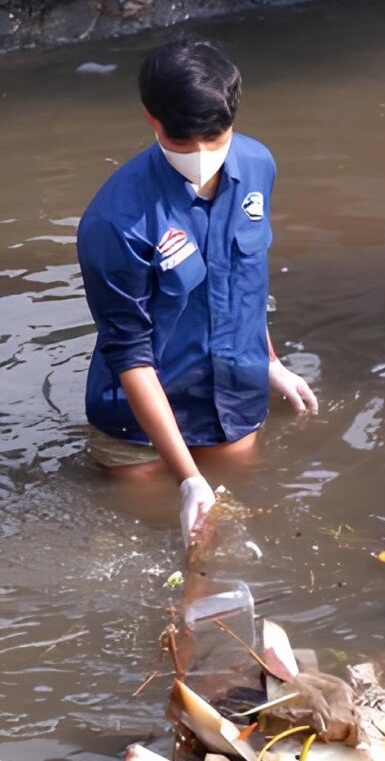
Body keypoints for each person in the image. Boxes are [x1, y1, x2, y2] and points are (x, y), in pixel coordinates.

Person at [76, 39, 317, 547]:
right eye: (186, 142)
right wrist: (187, 480)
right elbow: (130, 354)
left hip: (233, 399)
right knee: (148, 535)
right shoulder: (115, 221)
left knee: (231, 536)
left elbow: (246, 280)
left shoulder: (257, 166)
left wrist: (269, 362)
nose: (204, 156)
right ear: (152, 120)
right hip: (135, 427)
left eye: (216, 137)